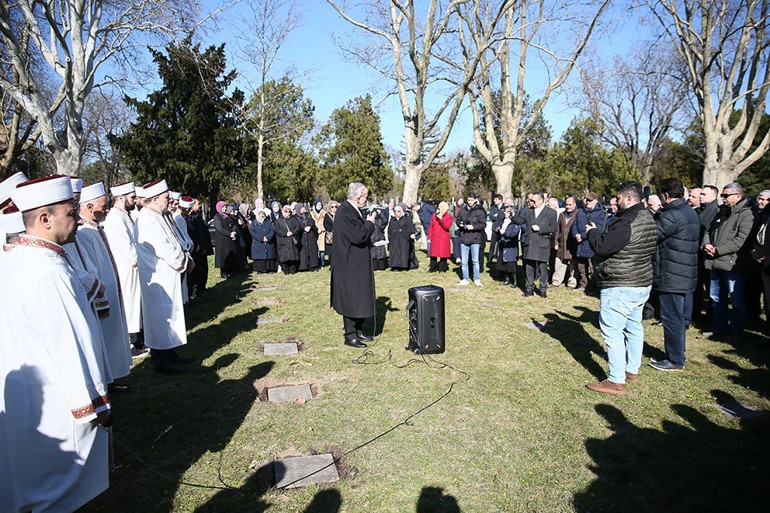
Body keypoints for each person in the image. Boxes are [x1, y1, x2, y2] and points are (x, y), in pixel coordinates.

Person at [1, 175, 112, 512]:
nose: (78, 218)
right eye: (70, 212)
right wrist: (94, 405)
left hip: (26, 398)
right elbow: (70, 344)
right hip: (55, 401)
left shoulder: (16, 258)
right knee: (58, 491)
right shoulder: (49, 270)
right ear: (45, 219)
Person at [585, 181, 658, 396]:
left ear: (628, 198)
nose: (614, 202)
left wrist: (593, 232)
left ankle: (616, 380)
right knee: (634, 326)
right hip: (640, 282)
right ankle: (631, 371)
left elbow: (603, 246)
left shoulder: (627, 221)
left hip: (621, 283)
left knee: (613, 331)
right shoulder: (647, 217)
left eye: (617, 198)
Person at [134, 179, 194, 374]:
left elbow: (173, 241)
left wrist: (184, 257)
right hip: (158, 275)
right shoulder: (147, 219)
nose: (169, 201)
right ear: (153, 200)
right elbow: (164, 247)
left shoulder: (157, 216)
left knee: (171, 314)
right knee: (161, 317)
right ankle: (161, 360)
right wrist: (183, 262)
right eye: (166, 198)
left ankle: (170, 352)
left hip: (167, 273)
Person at [78, 182, 133, 383]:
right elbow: (91, 268)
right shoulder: (84, 232)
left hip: (111, 291)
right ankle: (108, 381)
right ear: (90, 207)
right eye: (102, 205)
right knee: (106, 340)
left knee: (114, 338)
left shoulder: (94, 228)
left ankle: (115, 377)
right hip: (101, 297)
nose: (106, 208)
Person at [650, 178, 700, 372]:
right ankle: (675, 355)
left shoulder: (672, 215)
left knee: (671, 317)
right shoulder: (688, 212)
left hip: (672, 273)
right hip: (682, 271)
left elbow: (652, 235)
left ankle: (675, 359)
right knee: (676, 317)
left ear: (665, 195)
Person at [702, 182, 754, 337]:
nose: (722, 198)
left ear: (738, 196)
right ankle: (719, 327)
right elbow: (708, 230)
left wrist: (719, 250)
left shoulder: (747, 214)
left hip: (732, 264)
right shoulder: (721, 212)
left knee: (736, 299)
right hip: (715, 262)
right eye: (722, 195)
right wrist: (707, 244)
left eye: (726, 195)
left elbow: (741, 240)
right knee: (716, 297)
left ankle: (736, 330)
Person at [331, 182, 377, 348]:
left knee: (359, 296)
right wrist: (370, 223)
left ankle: (358, 330)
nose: (367, 200)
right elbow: (358, 236)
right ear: (358, 198)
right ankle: (350, 335)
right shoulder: (345, 211)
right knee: (351, 298)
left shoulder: (351, 210)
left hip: (356, 262)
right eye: (365, 197)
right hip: (349, 263)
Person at [102, 181, 146, 356]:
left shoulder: (125, 215)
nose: (135, 200)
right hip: (126, 268)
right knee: (128, 305)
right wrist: (137, 260)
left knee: (135, 305)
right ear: (120, 198)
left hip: (134, 268)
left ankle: (136, 340)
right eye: (132, 197)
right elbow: (125, 246)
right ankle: (129, 345)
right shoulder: (114, 218)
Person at [522, 191, 558, 298]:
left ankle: (543, 289)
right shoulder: (528, 211)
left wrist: (541, 229)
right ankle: (529, 288)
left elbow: (554, 228)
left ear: (541, 200)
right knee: (529, 267)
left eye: (534, 200)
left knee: (542, 267)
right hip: (530, 242)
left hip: (542, 243)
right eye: (531, 200)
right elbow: (522, 221)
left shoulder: (551, 212)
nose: (531, 202)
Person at [571, 192, 606, 293]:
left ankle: (593, 287)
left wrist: (582, 236)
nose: (587, 202)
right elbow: (574, 224)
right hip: (580, 245)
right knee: (581, 267)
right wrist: (576, 234)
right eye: (586, 200)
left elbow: (598, 229)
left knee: (593, 268)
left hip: (591, 245)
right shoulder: (580, 211)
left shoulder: (600, 213)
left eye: (589, 200)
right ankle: (583, 285)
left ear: (595, 201)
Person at [750, 190, 770, 338]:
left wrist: (762, 253)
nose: (761, 202)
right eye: (760, 199)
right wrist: (755, 251)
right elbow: (759, 237)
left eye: (765, 200)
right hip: (760, 262)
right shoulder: (763, 216)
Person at [455, 192, 486, 286]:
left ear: (475, 200)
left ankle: (476, 278)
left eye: (471, 200)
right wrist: (460, 224)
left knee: (475, 260)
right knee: (464, 261)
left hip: (475, 238)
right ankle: (465, 278)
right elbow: (457, 220)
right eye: (468, 200)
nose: (470, 202)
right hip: (464, 238)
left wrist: (473, 227)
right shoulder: (463, 210)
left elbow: (483, 224)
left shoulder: (480, 211)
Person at [553, 196, 578, 288]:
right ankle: (556, 281)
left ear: (574, 205)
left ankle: (572, 282)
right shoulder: (562, 215)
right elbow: (557, 230)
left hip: (572, 244)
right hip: (561, 243)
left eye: (570, 204)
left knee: (573, 264)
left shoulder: (578, 214)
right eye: (566, 204)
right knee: (559, 263)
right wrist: (556, 242)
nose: (568, 206)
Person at [495, 205, 523, 287]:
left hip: (511, 245)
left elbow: (513, 234)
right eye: (505, 211)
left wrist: (505, 232)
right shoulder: (504, 221)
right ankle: (506, 279)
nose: (505, 213)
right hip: (503, 243)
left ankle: (515, 281)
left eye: (507, 211)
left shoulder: (515, 222)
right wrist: (498, 230)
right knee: (503, 263)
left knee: (511, 265)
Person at [212, 201, 241, 279]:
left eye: (225, 207)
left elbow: (234, 225)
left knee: (231, 255)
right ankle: (224, 272)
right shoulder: (217, 217)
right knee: (223, 255)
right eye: (223, 207)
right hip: (222, 240)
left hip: (231, 240)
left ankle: (231, 271)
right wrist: (229, 233)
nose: (224, 209)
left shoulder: (229, 216)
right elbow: (219, 228)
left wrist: (234, 232)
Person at [275, 204, 302, 274]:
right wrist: (285, 233)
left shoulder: (294, 219)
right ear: (283, 212)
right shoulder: (279, 221)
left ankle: (293, 270)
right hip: (283, 241)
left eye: (289, 211)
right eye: (286, 211)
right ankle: (286, 270)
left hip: (292, 240)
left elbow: (298, 228)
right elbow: (277, 230)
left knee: (293, 256)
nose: (288, 213)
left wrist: (292, 232)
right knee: (285, 257)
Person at [388, 204, 417, 271]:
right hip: (394, 239)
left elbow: (410, 227)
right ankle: (395, 266)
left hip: (403, 238)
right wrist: (389, 237)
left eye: (398, 212)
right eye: (395, 212)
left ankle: (403, 266)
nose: (396, 213)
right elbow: (390, 229)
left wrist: (411, 234)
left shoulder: (406, 219)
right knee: (395, 253)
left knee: (403, 252)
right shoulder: (392, 220)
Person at [428, 201, 453, 272]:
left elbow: (447, 226)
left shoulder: (449, 217)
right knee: (433, 254)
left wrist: (441, 219)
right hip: (435, 238)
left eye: (441, 207)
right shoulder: (434, 216)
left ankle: (442, 268)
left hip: (444, 239)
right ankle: (432, 268)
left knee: (443, 254)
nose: (439, 208)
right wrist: (429, 237)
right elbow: (431, 227)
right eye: (439, 207)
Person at [249, 208, 277, 273]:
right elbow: (252, 232)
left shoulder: (269, 222)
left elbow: (272, 230)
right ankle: (260, 269)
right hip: (258, 243)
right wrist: (261, 238)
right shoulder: (254, 223)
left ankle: (269, 269)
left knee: (269, 256)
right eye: (260, 214)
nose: (262, 216)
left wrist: (268, 237)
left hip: (268, 242)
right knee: (259, 256)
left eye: (263, 214)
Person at [295, 203, 319, 272]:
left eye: (303, 207)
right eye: (301, 208)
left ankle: (313, 265)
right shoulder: (295, 217)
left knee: (312, 250)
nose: (303, 209)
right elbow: (296, 226)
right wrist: (303, 228)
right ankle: (304, 266)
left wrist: (310, 226)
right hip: (302, 237)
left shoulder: (308, 215)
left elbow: (313, 223)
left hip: (310, 236)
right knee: (303, 252)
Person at [370, 206, 389, 271]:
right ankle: (374, 266)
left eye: (376, 213)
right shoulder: (369, 220)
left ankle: (381, 266)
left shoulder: (379, 220)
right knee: (373, 254)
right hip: (371, 238)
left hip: (379, 237)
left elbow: (385, 221)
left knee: (380, 253)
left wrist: (381, 213)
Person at [311, 199, 328, 268]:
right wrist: (316, 229)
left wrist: (322, 228)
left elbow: (327, 223)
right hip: (314, 232)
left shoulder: (324, 214)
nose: (319, 206)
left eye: (320, 205)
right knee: (315, 249)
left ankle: (322, 263)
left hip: (322, 233)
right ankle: (315, 263)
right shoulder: (312, 214)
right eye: (317, 205)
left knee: (322, 249)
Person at [324, 201, 338, 267]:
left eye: (335, 206)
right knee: (331, 251)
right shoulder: (327, 215)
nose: (334, 208)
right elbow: (325, 224)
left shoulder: (339, 215)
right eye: (332, 207)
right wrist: (332, 229)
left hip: (338, 235)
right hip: (331, 235)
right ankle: (332, 264)